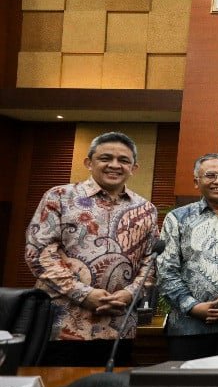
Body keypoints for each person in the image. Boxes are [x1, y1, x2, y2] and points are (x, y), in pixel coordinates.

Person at [25, 132, 158, 367]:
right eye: (105, 158)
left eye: (123, 160)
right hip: (62, 325)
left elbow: (151, 261)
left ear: (134, 168)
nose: (114, 165)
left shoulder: (146, 209)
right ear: (88, 162)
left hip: (119, 327)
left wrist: (130, 294)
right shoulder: (60, 197)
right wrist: (83, 294)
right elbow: (39, 253)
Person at [157, 154, 218, 360]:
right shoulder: (177, 218)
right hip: (188, 328)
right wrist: (192, 306)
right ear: (196, 182)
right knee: (189, 381)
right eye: (210, 176)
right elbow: (166, 270)